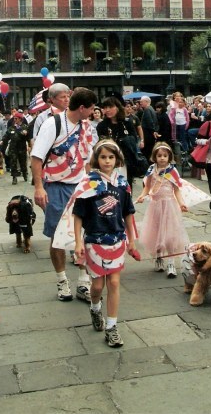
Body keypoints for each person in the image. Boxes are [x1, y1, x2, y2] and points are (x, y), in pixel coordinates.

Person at [31, 88, 98, 302]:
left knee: (85, 234)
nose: (93, 112)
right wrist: (39, 187)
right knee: (58, 236)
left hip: (80, 186)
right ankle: (61, 280)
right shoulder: (53, 124)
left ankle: (83, 281)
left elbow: (88, 160)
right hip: (56, 186)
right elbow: (36, 157)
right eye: (91, 109)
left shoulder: (87, 126)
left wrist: (93, 186)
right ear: (82, 108)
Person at [73, 139, 136, 348]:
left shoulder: (122, 183)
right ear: (96, 159)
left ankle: (111, 327)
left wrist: (132, 240)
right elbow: (78, 214)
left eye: (111, 157)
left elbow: (128, 212)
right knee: (98, 286)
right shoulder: (88, 183)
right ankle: (94, 307)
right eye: (103, 157)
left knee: (115, 283)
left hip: (117, 239)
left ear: (117, 159)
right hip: (94, 239)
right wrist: (77, 243)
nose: (107, 161)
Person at [136, 142, 189, 277]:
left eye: (165, 156)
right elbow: (147, 187)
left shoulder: (172, 171)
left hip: (169, 205)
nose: (162, 158)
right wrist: (142, 196)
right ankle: (159, 258)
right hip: (155, 206)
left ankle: (171, 262)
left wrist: (181, 203)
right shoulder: (151, 170)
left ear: (169, 157)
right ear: (154, 156)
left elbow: (176, 190)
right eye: (159, 155)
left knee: (170, 234)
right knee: (156, 232)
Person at [96, 96, 138, 189]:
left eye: (110, 107)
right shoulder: (101, 125)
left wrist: (125, 141)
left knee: (125, 189)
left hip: (125, 161)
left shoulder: (127, 123)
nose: (107, 110)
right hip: (108, 162)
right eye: (105, 107)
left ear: (118, 108)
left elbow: (134, 140)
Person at [2, 112, 30, 185]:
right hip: (13, 148)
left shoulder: (24, 127)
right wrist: (2, 140)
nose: (15, 120)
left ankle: (24, 174)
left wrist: (26, 136)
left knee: (22, 162)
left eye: (16, 118)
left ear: (20, 119)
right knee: (13, 163)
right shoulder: (12, 127)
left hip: (22, 148)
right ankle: (14, 177)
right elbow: (6, 135)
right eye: (14, 118)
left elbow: (28, 138)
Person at [139, 96, 159, 162]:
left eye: (142, 102)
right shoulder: (151, 108)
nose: (140, 103)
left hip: (147, 134)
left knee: (147, 151)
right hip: (151, 134)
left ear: (146, 102)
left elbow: (150, 122)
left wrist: (152, 131)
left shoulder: (147, 109)